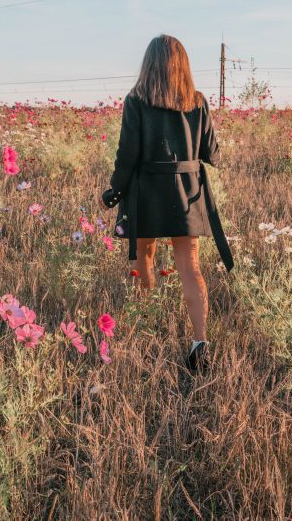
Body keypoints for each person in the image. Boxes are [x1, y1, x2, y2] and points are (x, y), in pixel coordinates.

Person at [100, 34, 233, 374]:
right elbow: (210, 153)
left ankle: (145, 325)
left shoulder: (136, 99)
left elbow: (127, 154)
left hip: (146, 191)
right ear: (183, 64)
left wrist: (114, 190)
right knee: (190, 266)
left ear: (149, 64)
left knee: (144, 256)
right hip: (188, 193)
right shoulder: (198, 100)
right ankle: (199, 344)